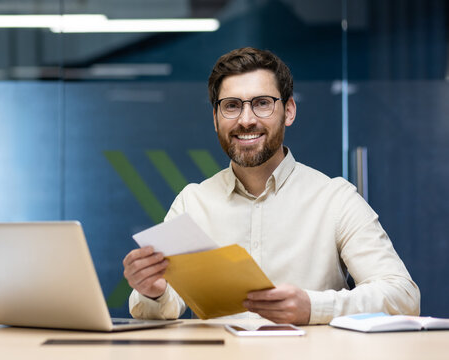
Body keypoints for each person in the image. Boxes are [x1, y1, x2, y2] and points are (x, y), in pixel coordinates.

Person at [122, 47, 420, 325]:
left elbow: (403, 296)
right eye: (231, 106)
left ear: (288, 111)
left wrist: (313, 307)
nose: (246, 119)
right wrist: (153, 291)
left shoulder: (335, 199)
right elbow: (164, 308)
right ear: (215, 118)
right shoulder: (193, 202)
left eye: (262, 103)